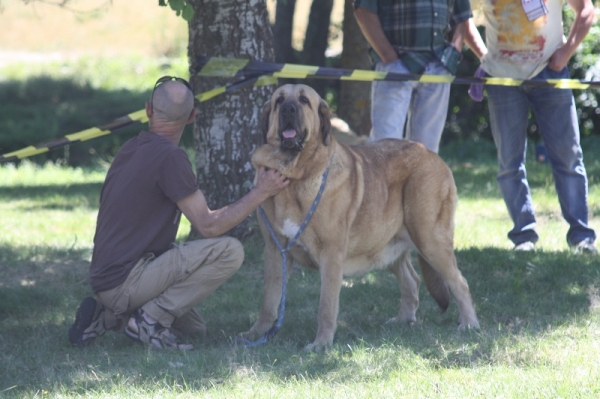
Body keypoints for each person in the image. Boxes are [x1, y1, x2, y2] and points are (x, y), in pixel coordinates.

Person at [68, 76, 289, 350]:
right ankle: (148, 320)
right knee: (230, 251)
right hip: (128, 280)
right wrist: (262, 191)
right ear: (192, 117)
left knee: (195, 329)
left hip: (106, 279)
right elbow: (208, 226)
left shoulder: (130, 148)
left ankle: (109, 316)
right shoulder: (171, 158)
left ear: (148, 109)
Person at [464, 0, 597, 253]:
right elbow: (461, 16)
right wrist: (484, 56)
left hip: (550, 74)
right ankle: (523, 237)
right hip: (501, 78)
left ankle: (581, 237)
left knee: (568, 156)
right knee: (509, 161)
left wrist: (566, 52)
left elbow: (586, 10)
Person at [353, 0, 473, 153]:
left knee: (428, 155)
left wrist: (452, 54)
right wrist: (390, 58)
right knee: (383, 151)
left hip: (438, 66)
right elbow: (363, 10)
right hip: (395, 66)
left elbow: (462, 16)